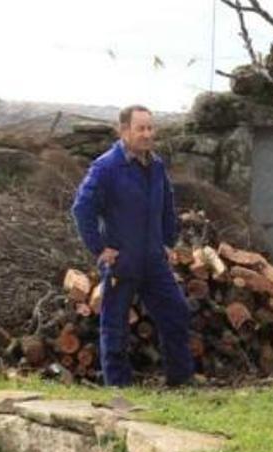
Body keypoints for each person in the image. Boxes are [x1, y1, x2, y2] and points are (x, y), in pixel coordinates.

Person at [72, 105, 194, 387]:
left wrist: (166, 241)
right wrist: (99, 248)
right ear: (124, 131)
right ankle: (118, 389)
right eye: (141, 128)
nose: (147, 134)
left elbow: (167, 205)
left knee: (176, 313)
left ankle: (181, 380)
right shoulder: (106, 167)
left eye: (150, 128)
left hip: (154, 260)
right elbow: (82, 209)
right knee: (114, 328)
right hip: (121, 262)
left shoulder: (156, 165)